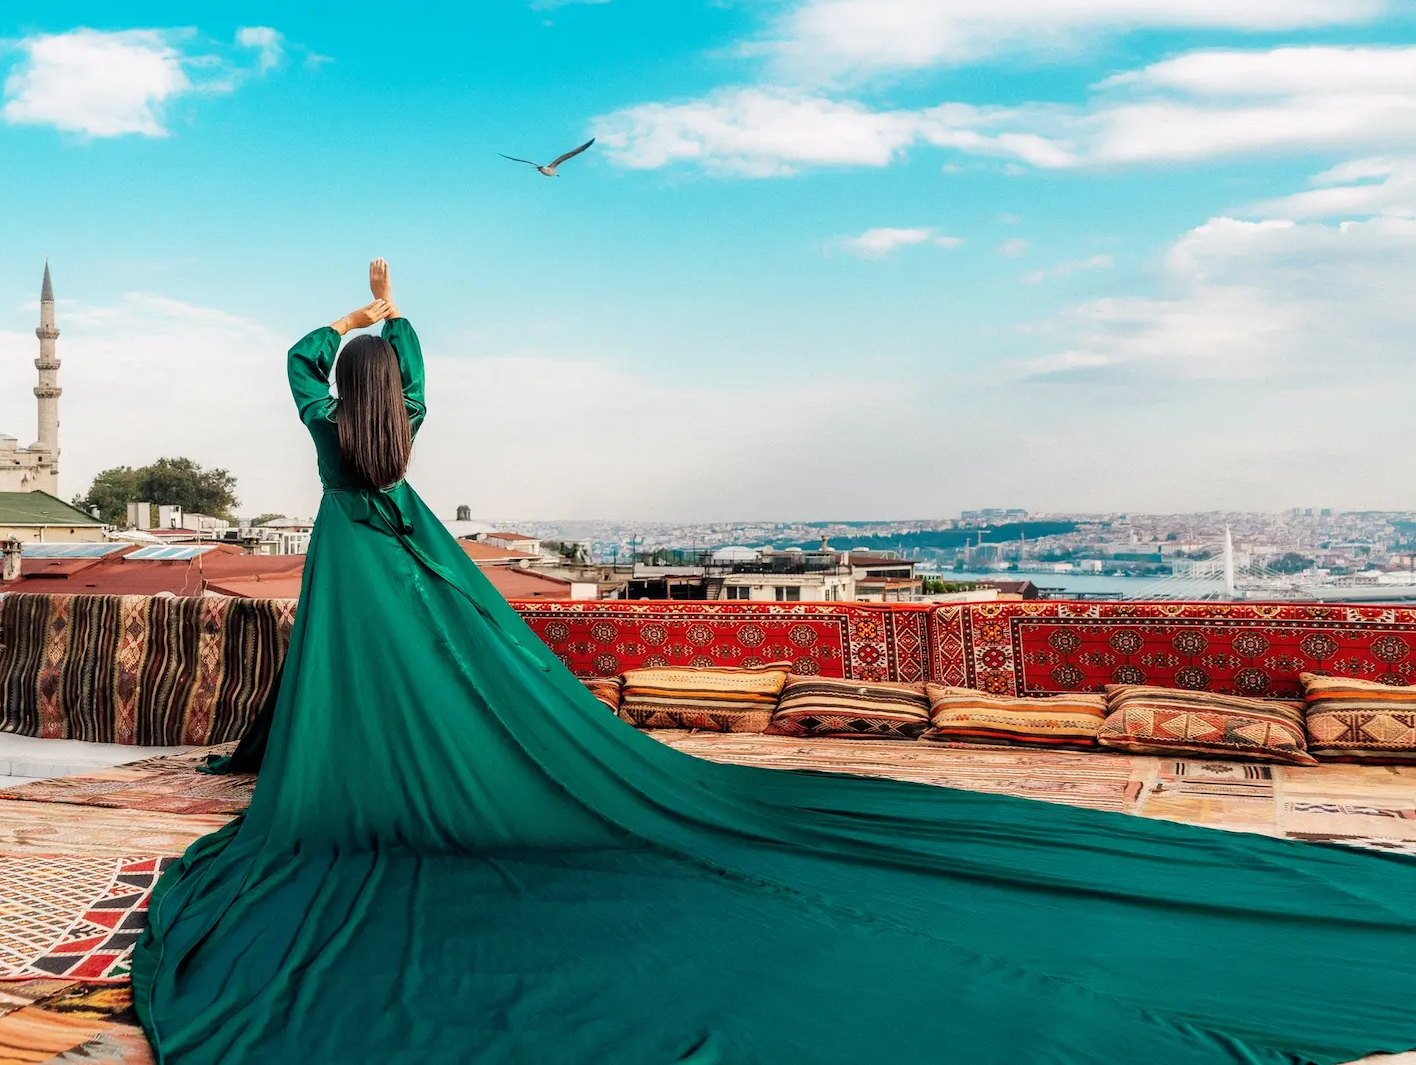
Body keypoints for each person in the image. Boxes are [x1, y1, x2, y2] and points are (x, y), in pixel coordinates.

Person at [130, 261, 1416, 1064]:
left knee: (362, 676)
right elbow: (406, 376)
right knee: (459, 676)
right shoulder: (401, 433)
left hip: (354, 559)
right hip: (418, 549)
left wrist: (349, 321)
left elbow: (302, 363)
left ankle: (343, 765)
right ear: (397, 400)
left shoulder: (325, 433)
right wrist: (399, 324)